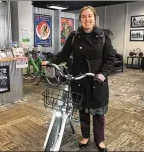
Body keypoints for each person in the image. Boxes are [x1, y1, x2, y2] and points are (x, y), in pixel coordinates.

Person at [42, 6, 115, 152]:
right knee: (83, 110)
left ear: (94, 18)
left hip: (97, 79)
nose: (87, 19)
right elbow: (64, 54)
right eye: (84, 16)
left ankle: (100, 140)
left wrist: (104, 73)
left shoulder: (103, 36)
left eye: (90, 16)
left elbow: (110, 58)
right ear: (80, 19)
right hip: (79, 78)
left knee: (98, 112)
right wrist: (51, 62)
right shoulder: (75, 36)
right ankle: (85, 136)